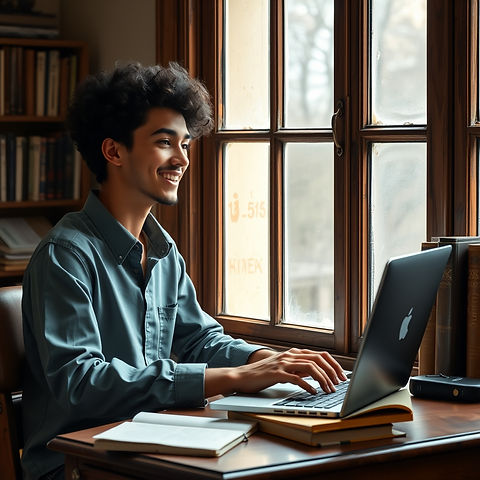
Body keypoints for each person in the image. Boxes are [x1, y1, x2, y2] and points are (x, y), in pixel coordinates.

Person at [21, 62, 346, 480]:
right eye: (164, 142)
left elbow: (198, 338)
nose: (182, 158)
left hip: (147, 447)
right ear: (113, 151)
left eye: (187, 144)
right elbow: (81, 383)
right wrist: (232, 377)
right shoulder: (64, 256)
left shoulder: (162, 251)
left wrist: (268, 359)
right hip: (74, 465)